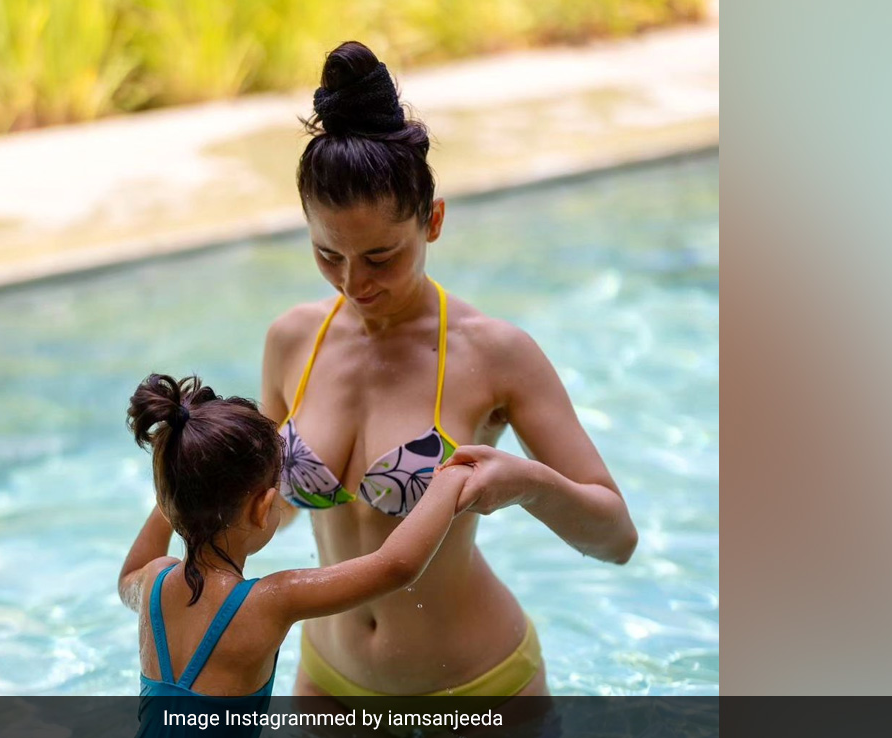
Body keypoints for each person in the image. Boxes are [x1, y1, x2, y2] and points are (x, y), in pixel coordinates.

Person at [260, 41, 639, 701]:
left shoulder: (492, 353)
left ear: (432, 221)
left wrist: (527, 483)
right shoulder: (293, 340)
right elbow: (269, 518)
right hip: (327, 679)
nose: (356, 283)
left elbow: (616, 539)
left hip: (477, 685)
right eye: (328, 255)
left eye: (381, 256)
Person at [117, 373, 473, 733]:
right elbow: (396, 566)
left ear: (166, 499)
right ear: (265, 507)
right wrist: (450, 479)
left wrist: (178, 490)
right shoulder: (270, 601)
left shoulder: (154, 583)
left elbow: (126, 578)